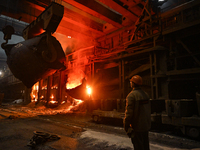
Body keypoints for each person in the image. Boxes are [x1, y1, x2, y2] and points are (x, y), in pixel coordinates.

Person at [123, 75, 151, 150]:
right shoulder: (146, 95)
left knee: (138, 147)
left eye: (131, 82)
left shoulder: (131, 96)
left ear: (133, 83)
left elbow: (129, 113)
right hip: (145, 126)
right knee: (145, 147)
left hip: (137, 127)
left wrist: (126, 126)